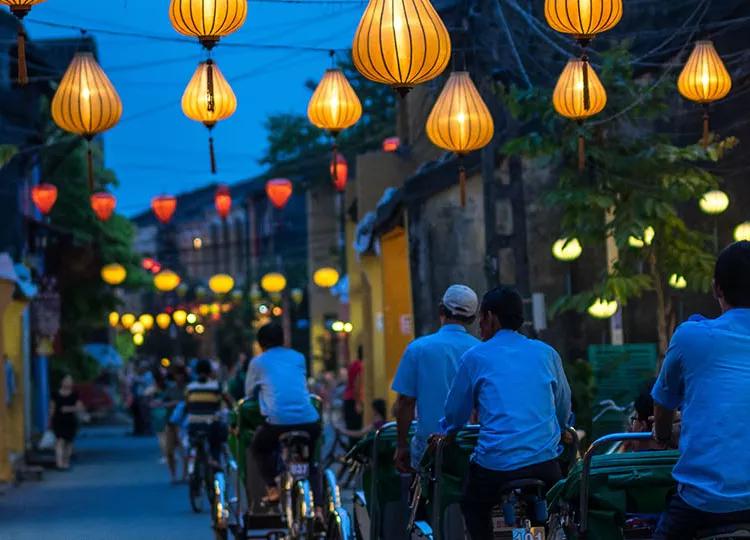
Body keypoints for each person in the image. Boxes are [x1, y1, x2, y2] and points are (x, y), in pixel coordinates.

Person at [438, 286, 571, 540]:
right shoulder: (546, 353)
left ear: (491, 317)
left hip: (495, 466)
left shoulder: (475, 357)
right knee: (558, 506)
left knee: (472, 505)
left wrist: (450, 430)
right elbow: (564, 407)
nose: (479, 325)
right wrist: (563, 428)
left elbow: (455, 414)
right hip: (544, 463)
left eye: (482, 317)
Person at [651, 241, 750, 539]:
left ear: (716, 288)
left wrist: (665, 436)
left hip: (700, 503)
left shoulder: (690, 336)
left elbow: (662, 407)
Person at [392, 284, 481, 472]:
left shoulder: (418, 349)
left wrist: (401, 445)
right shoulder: (482, 351)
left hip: (428, 447)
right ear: (473, 318)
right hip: (473, 445)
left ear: (441, 309)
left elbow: (405, 402)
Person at [245, 323, 320, 505]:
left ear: (261, 343)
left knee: (259, 448)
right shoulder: (298, 357)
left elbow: (248, 393)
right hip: (309, 420)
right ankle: (318, 505)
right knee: (311, 461)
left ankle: (272, 489)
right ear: (283, 339)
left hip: (277, 423)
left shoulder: (258, 362)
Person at [185, 359, 233, 466]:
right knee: (216, 443)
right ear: (210, 371)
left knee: (192, 442)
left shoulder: (190, 387)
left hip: (193, 423)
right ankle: (215, 461)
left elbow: (187, 405)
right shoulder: (217, 386)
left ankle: (192, 462)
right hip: (211, 423)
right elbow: (228, 401)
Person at [49, 374, 87, 470]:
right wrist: (49, 420)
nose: (68, 383)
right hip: (58, 420)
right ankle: (59, 463)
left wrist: (69, 409)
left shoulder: (75, 395)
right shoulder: (55, 394)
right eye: (66, 380)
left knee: (69, 443)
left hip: (70, 421)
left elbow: (80, 407)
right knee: (59, 441)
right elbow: (52, 408)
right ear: (61, 382)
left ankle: (66, 462)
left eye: (70, 381)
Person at [342, 347, 364, 434]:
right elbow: (357, 385)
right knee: (356, 430)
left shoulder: (353, 364)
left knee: (350, 428)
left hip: (348, 398)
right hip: (353, 400)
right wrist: (358, 403)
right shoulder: (360, 366)